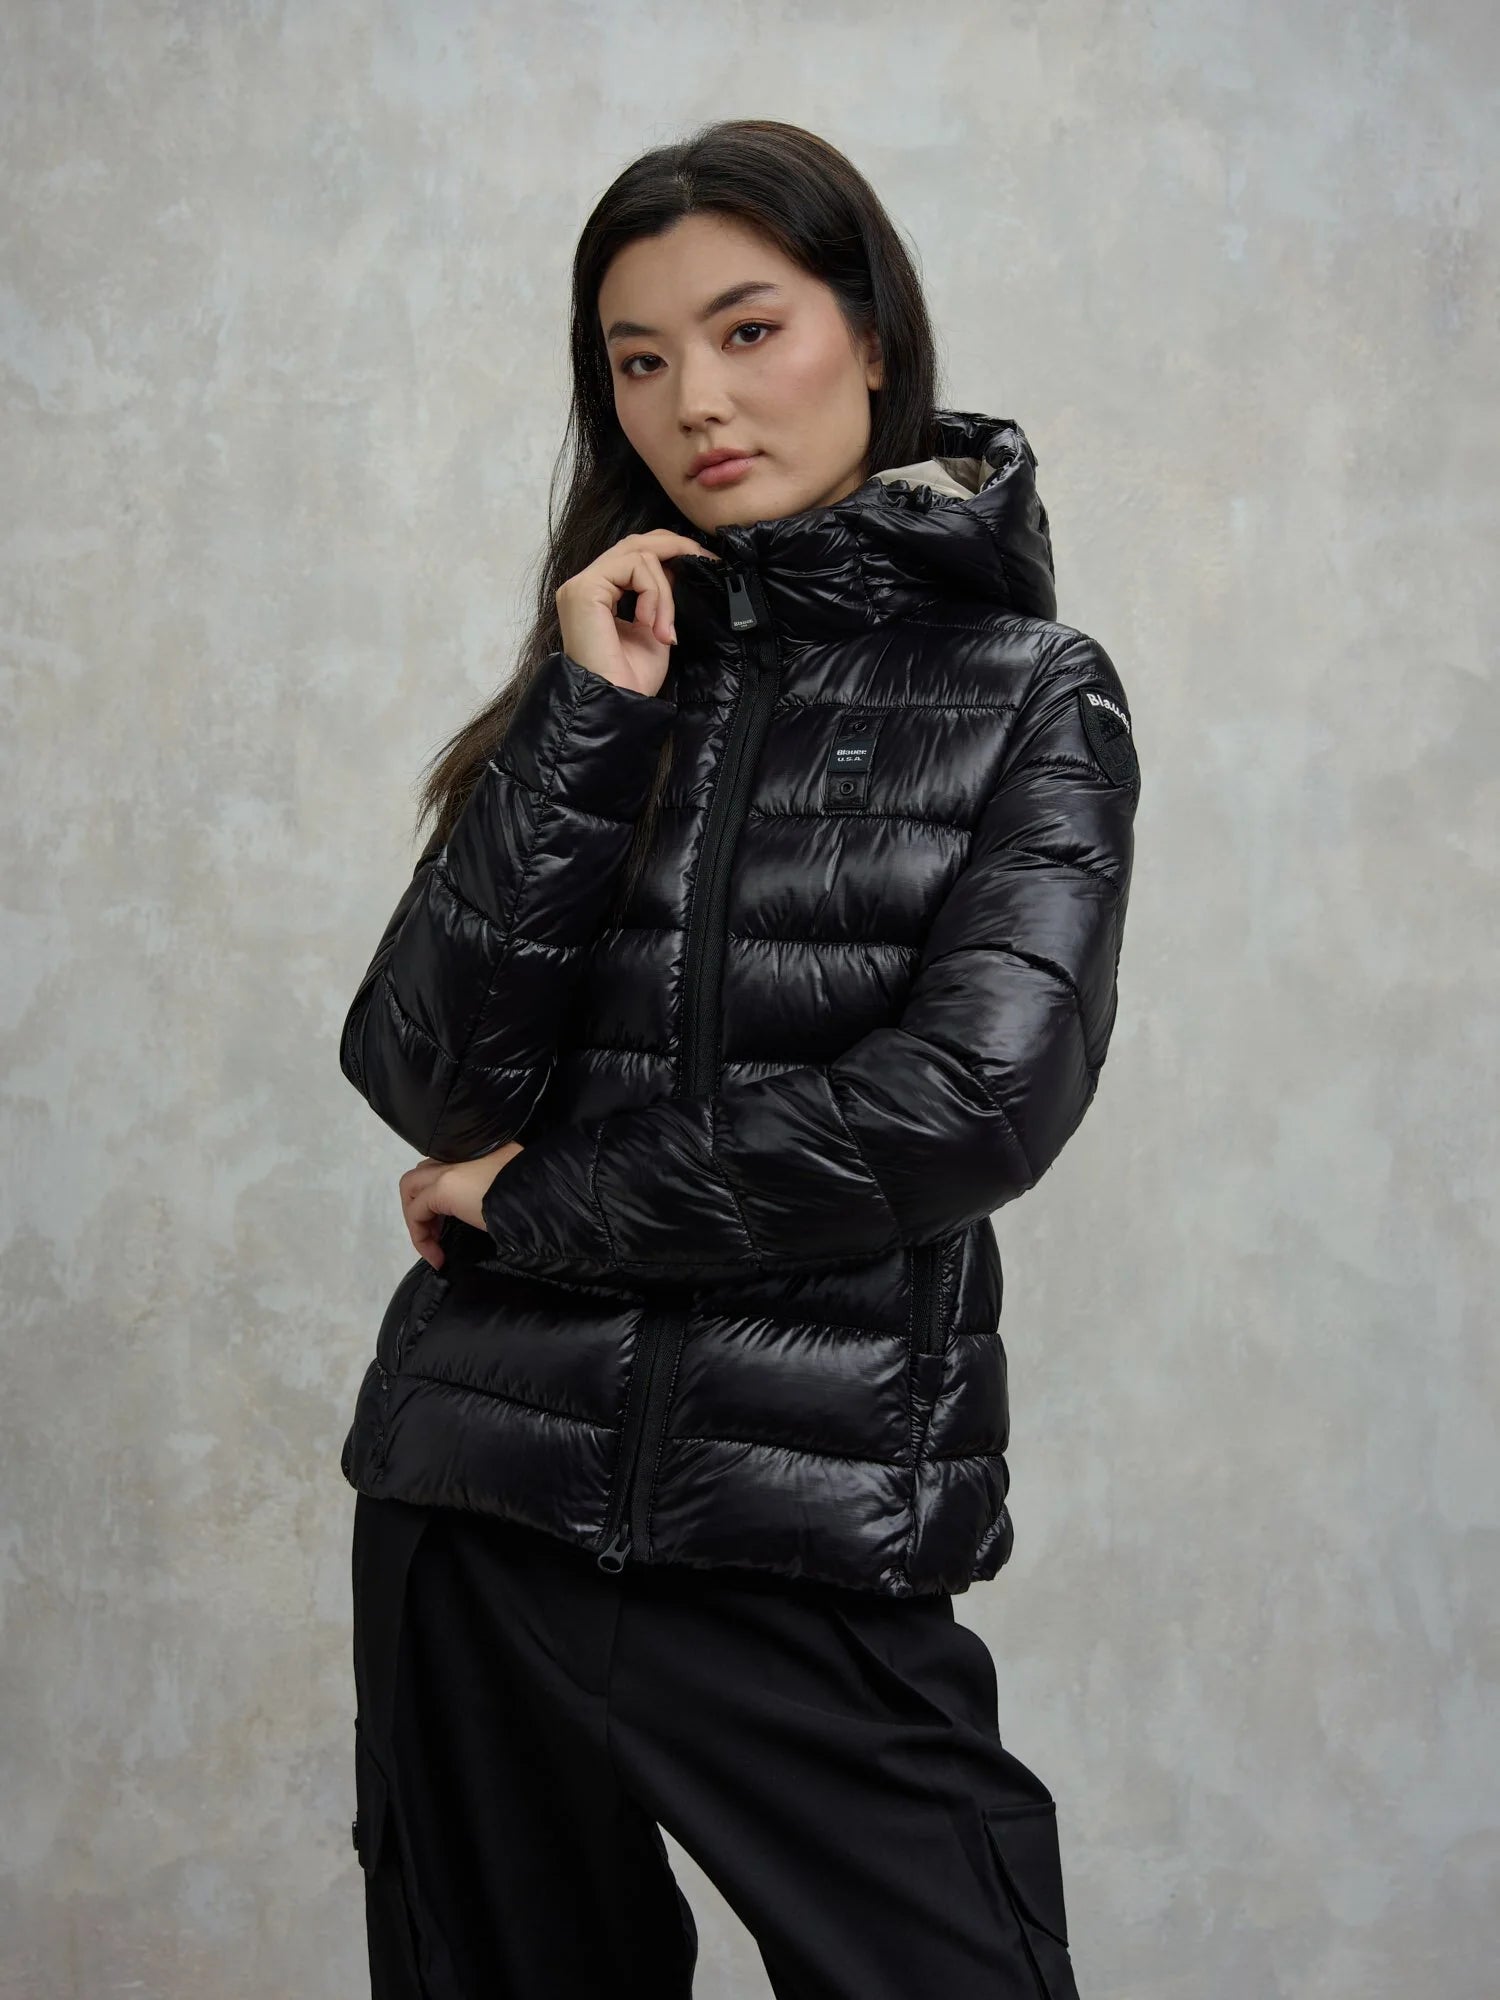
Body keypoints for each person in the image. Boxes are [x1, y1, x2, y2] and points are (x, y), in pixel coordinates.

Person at [337, 117, 1139, 2000]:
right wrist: (585, 729)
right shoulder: (599, 684)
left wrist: (538, 1209)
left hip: (807, 1536)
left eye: (747, 328)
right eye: (637, 359)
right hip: (477, 1511)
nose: (692, 399)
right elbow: (427, 1078)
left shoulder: (1031, 694)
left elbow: (968, 1107)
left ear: (873, 334)